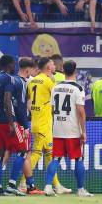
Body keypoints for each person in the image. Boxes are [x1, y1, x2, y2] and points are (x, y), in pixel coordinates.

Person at [0, 55, 34, 196]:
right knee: (23, 151)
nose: (15, 67)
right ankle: (12, 184)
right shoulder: (10, 79)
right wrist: (13, 122)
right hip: (8, 122)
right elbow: (8, 100)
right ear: (10, 65)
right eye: (14, 65)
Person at [44, 60, 93, 197]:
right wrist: (83, 131)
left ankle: (48, 187)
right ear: (75, 72)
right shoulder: (78, 88)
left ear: (63, 71)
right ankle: (81, 189)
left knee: (56, 158)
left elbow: (52, 109)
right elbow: (81, 112)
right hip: (72, 130)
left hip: (58, 128)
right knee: (78, 158)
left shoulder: (55, 87)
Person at [27, 57, 71, 194]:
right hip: (44, 124)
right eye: (52, 64)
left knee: (50, 155)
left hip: (36, 121)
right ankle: (24, 183)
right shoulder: (48, 81)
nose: (54, 65)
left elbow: (30, 102)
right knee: (36, 154)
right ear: (48, 67)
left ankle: (57, 185)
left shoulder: (32, 80)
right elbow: (58, 98)